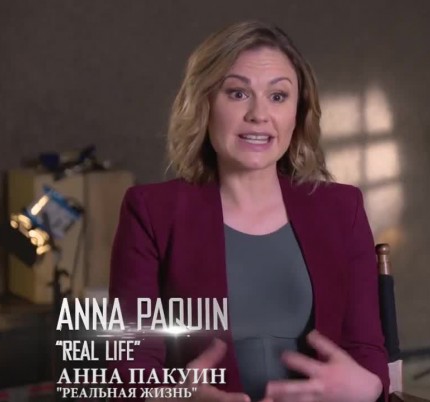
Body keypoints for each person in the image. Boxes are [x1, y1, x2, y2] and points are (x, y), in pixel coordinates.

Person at [109, 20, 389, 402]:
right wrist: (171, 395)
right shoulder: (150, 212)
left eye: (278, 96)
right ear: (204, 103)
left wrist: (369, 388)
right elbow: (129, 365)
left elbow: (367, 352)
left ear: (298, 112)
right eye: (238, 93)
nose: (259, 114)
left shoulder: (342, 209)